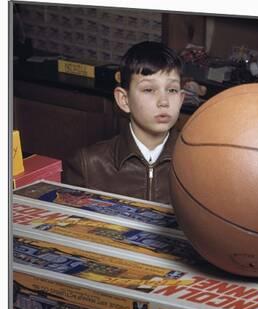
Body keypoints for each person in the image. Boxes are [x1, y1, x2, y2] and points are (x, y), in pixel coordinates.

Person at [62, 41, 185, 204]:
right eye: (148, 90)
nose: (164, 102)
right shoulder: (88, 165)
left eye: (172, 90)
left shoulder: (198, 162)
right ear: (124, 100)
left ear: (181, 99)